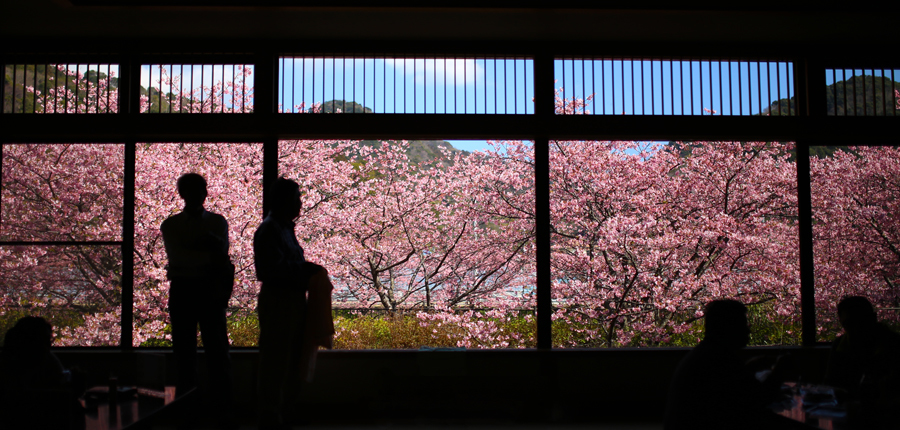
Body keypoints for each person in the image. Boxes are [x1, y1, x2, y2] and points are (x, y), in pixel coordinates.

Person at [160, 173, 235, 429]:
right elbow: (184, 258)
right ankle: (188, 414)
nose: (200, 193)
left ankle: (221, 413)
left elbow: (198, 257)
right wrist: (208, 253)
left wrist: (194, 254)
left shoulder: (214, 222)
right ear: (183, 194)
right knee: (184, 355)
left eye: (202, 188)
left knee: (218, 353)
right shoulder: (172, 225)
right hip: (190, 289)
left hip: (201, 288)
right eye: (194, 189)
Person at [664, 299, 810, 430]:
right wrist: (779, 370)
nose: (748, 330)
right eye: (742, 324)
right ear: (728, 328)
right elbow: (760, 399)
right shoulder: (720, 359)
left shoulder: (707, 354)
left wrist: (749, 368)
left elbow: (735, 390)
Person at [254, 177, 325, 430]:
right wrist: (305, 269)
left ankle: (283, 412)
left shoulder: (283, 227)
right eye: (297, 198)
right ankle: (271, 416)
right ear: (283, 200)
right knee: (276, 359)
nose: (300, 203)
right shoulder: (270, 228)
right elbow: (268, 269)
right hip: (279, 299)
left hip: (292, 299)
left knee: (291, 357)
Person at [825, 296, 900, 402]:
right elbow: (831, 383)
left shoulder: (893, 344)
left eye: (861, 323)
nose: (856, 330)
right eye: (849, 324)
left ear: (873, 318)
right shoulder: (839, 345)